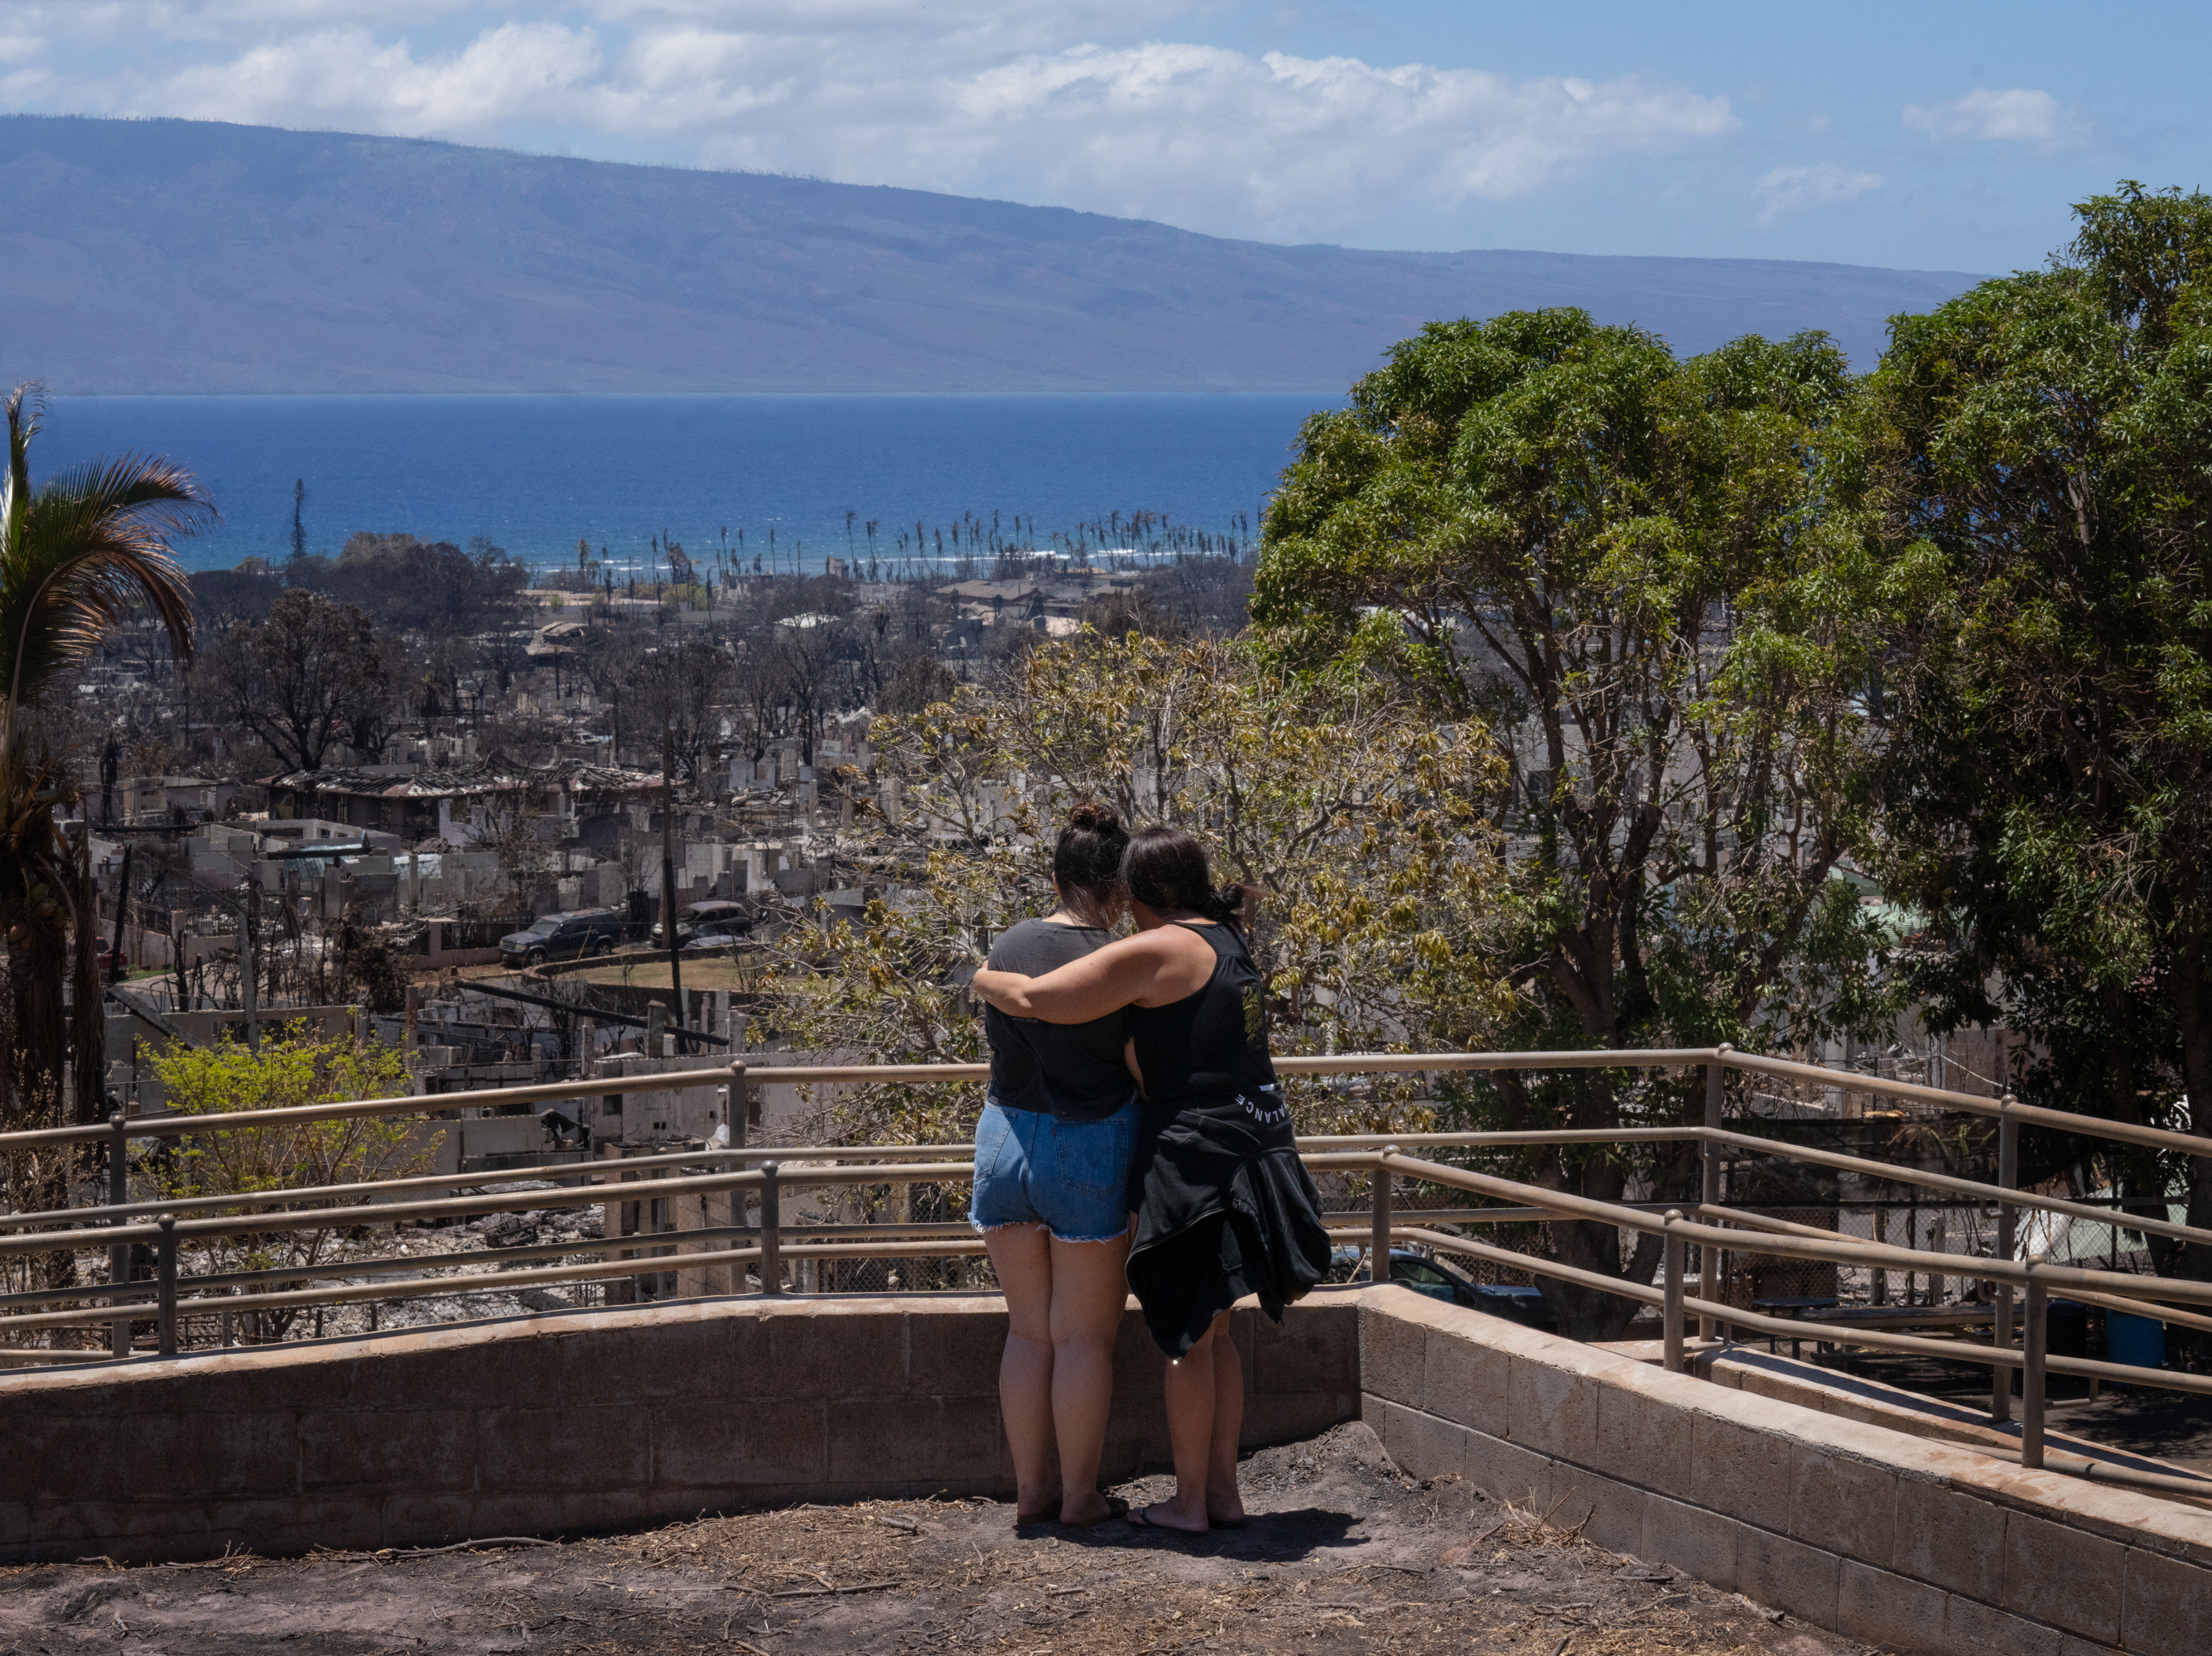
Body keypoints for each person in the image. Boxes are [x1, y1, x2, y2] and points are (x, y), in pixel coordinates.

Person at [972, 825, 1331, 1536]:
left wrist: (981, 976)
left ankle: (1187, 1504)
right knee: (1212, 1338)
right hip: (1247, 1148)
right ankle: (1214, 1496)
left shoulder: (1161, 946)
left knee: (1183, 1339)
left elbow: (1043, 999)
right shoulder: (1226, 938)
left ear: (1137, 894)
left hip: (1183, 1161)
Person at [969, 799, 1139, 1529]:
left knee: (1028, 1332)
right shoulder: (1116, 964)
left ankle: (1029, 1492)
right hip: (1088, 1143)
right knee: (1081, 1339)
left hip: (1003, 1139)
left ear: (1054, 875)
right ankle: (1079, 1498)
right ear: (1121, 891)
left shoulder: (1006, 947)